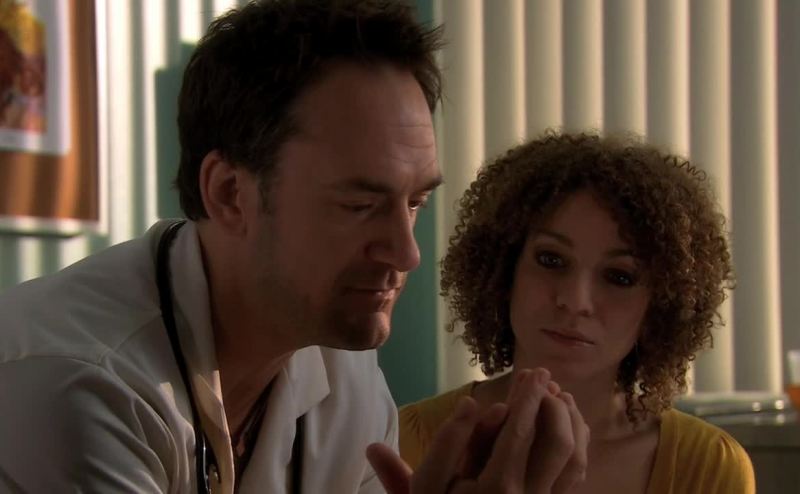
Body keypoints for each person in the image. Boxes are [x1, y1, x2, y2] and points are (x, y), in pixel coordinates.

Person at [0, 2, 586, 493]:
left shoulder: (342, 367)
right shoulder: (77, 384)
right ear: (230, 193)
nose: (406, 254)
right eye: (359, 205)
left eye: (415, 203)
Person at [399, 132, 757, 493]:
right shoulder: (407, 439)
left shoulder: (710, 467)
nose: (575, 301)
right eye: (551, 260)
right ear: (506, 269)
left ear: (661, 304)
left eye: (619, 277)